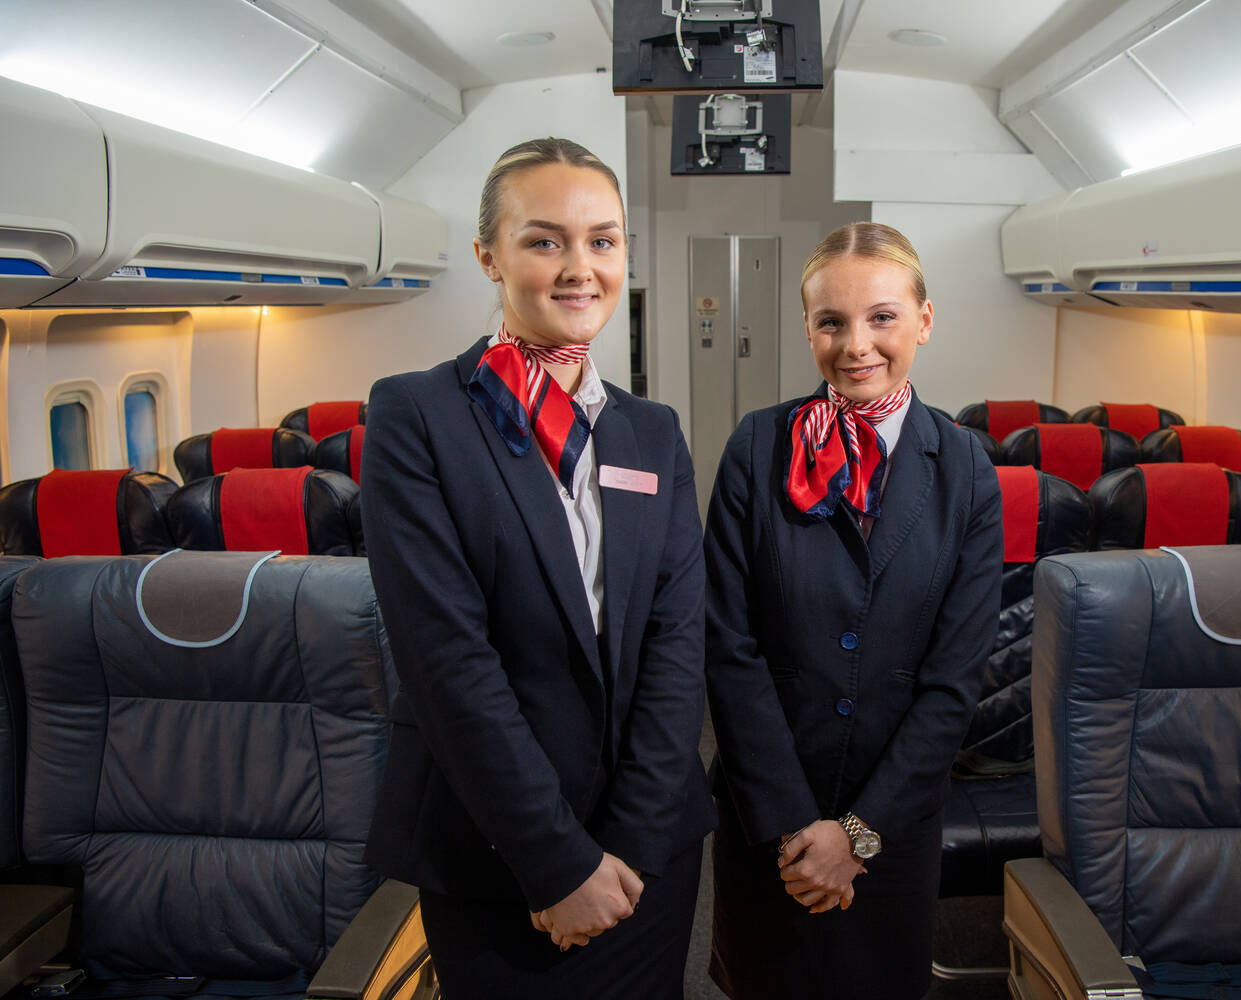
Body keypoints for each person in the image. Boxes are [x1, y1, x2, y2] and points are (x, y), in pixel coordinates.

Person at [359, 137, 714, 999]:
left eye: (603, 240)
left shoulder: (650, 430)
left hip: (648, 857)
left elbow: (676, 644)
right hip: (499, 857)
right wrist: (558, 865)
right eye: (545, 240)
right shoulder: (418, 416)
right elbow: (448, 664)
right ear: (489, 255)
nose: (579, 268)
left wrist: (626, 847)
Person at [704, 221, 1005, 998]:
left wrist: (858, 836)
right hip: (768, 815)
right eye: (831, 322)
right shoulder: (757, 447)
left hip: (893, 821)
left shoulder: (965, 466)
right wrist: (795, 829)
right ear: (807, 327)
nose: (856, 344)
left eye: (882, 317)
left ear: (924, 321)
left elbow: (955, 677)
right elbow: (726, 649)